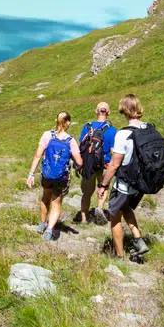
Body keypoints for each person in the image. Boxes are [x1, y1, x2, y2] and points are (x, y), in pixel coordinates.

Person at [98, 94, 155, 260]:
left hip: (125, 183)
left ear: (124, 110)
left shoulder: (123, 134)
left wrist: (103, 184)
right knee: (126, 207)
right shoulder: (148, 129)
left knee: (114, 216)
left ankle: (119, 255)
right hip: (142, 183)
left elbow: (115, 164)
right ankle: (138, 239)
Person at [26, 112, 82, 241]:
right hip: (61, 177)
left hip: (46, 174)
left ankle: (42, 224)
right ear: (67, 122)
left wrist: (31, 174)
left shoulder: (47, 135)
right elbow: (79, 162)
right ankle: (50, 230)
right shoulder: (70, 140)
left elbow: (37, 155)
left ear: (56, 121)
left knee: (45, 196)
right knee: (56, 202)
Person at [75, 103, 117, 224]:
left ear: (96, 111)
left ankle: (84, 218)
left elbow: (81, 146)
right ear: (108, 112)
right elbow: (114, 151)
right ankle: (99, 208)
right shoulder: (113, 130)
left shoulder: (87, 127)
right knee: (103, 187)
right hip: (104, 165)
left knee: (86, 193)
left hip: (88, 164)